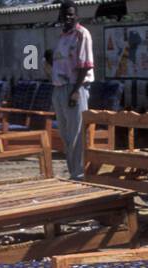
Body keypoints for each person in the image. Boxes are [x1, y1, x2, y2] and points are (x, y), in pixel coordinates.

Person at [50, 0, 94, 180]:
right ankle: (72, 172)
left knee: (76, 133)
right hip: (59, 88)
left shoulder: (82, 34)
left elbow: (85, 66)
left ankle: (79, 174)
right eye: (64, 14)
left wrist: (75, 91)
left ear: (76, 16)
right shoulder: (63, 36)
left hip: (75, 87)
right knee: (65, 134)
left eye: (71, 14)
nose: (67, 17)